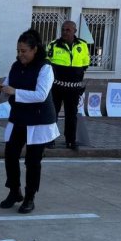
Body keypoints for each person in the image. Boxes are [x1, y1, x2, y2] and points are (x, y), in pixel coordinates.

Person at [0, 29, 59, 214]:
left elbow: (41, 95)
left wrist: (14, 91)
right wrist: (2, 87)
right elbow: (9, 83)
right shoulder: (16, 66)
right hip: (19, 116)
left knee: (33, 161)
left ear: (34, 50)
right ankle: (14, 191)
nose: (20, 54)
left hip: (38, 119)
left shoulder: (45, 68)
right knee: (10, 154)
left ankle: (30, 196)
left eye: (24, 51)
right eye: (18, 50)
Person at [46, 20, 90, 150]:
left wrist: (77, 76)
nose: (65, 32)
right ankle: (50, 139)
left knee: (71, 115)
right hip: (56, 87)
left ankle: (70, 140)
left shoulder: (83, 45)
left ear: (74, 31)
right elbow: (47, 65)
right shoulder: (53, 45)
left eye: (68, 30)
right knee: (52, 113)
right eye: (63, 29)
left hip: (73, 88)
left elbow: (85, 63)